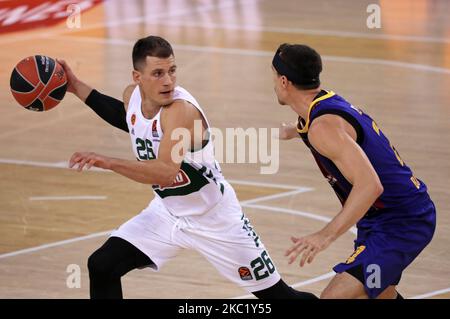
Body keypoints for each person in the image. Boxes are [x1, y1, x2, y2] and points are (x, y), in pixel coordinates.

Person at [58, 35, 316, 299]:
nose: (168, 80)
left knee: (281, 298)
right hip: (167, 213)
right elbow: (129, 119)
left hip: (215, 219)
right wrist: (76, 86)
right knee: (102, 265)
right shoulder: (132, 97)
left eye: (172, 71)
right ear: (137, 77)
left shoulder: (180, 110)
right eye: (157, 73)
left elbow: (167, 173)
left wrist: (107, 162)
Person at [272, 43, 436, 299]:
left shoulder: (322, 128)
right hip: (380, 219)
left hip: (402, 222)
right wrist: (292, 131)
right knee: (379, 294)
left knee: (335, 297)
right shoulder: (321, 105)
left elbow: (370, 186)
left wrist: (324, 236)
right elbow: (324, 128)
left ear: (284, 81)